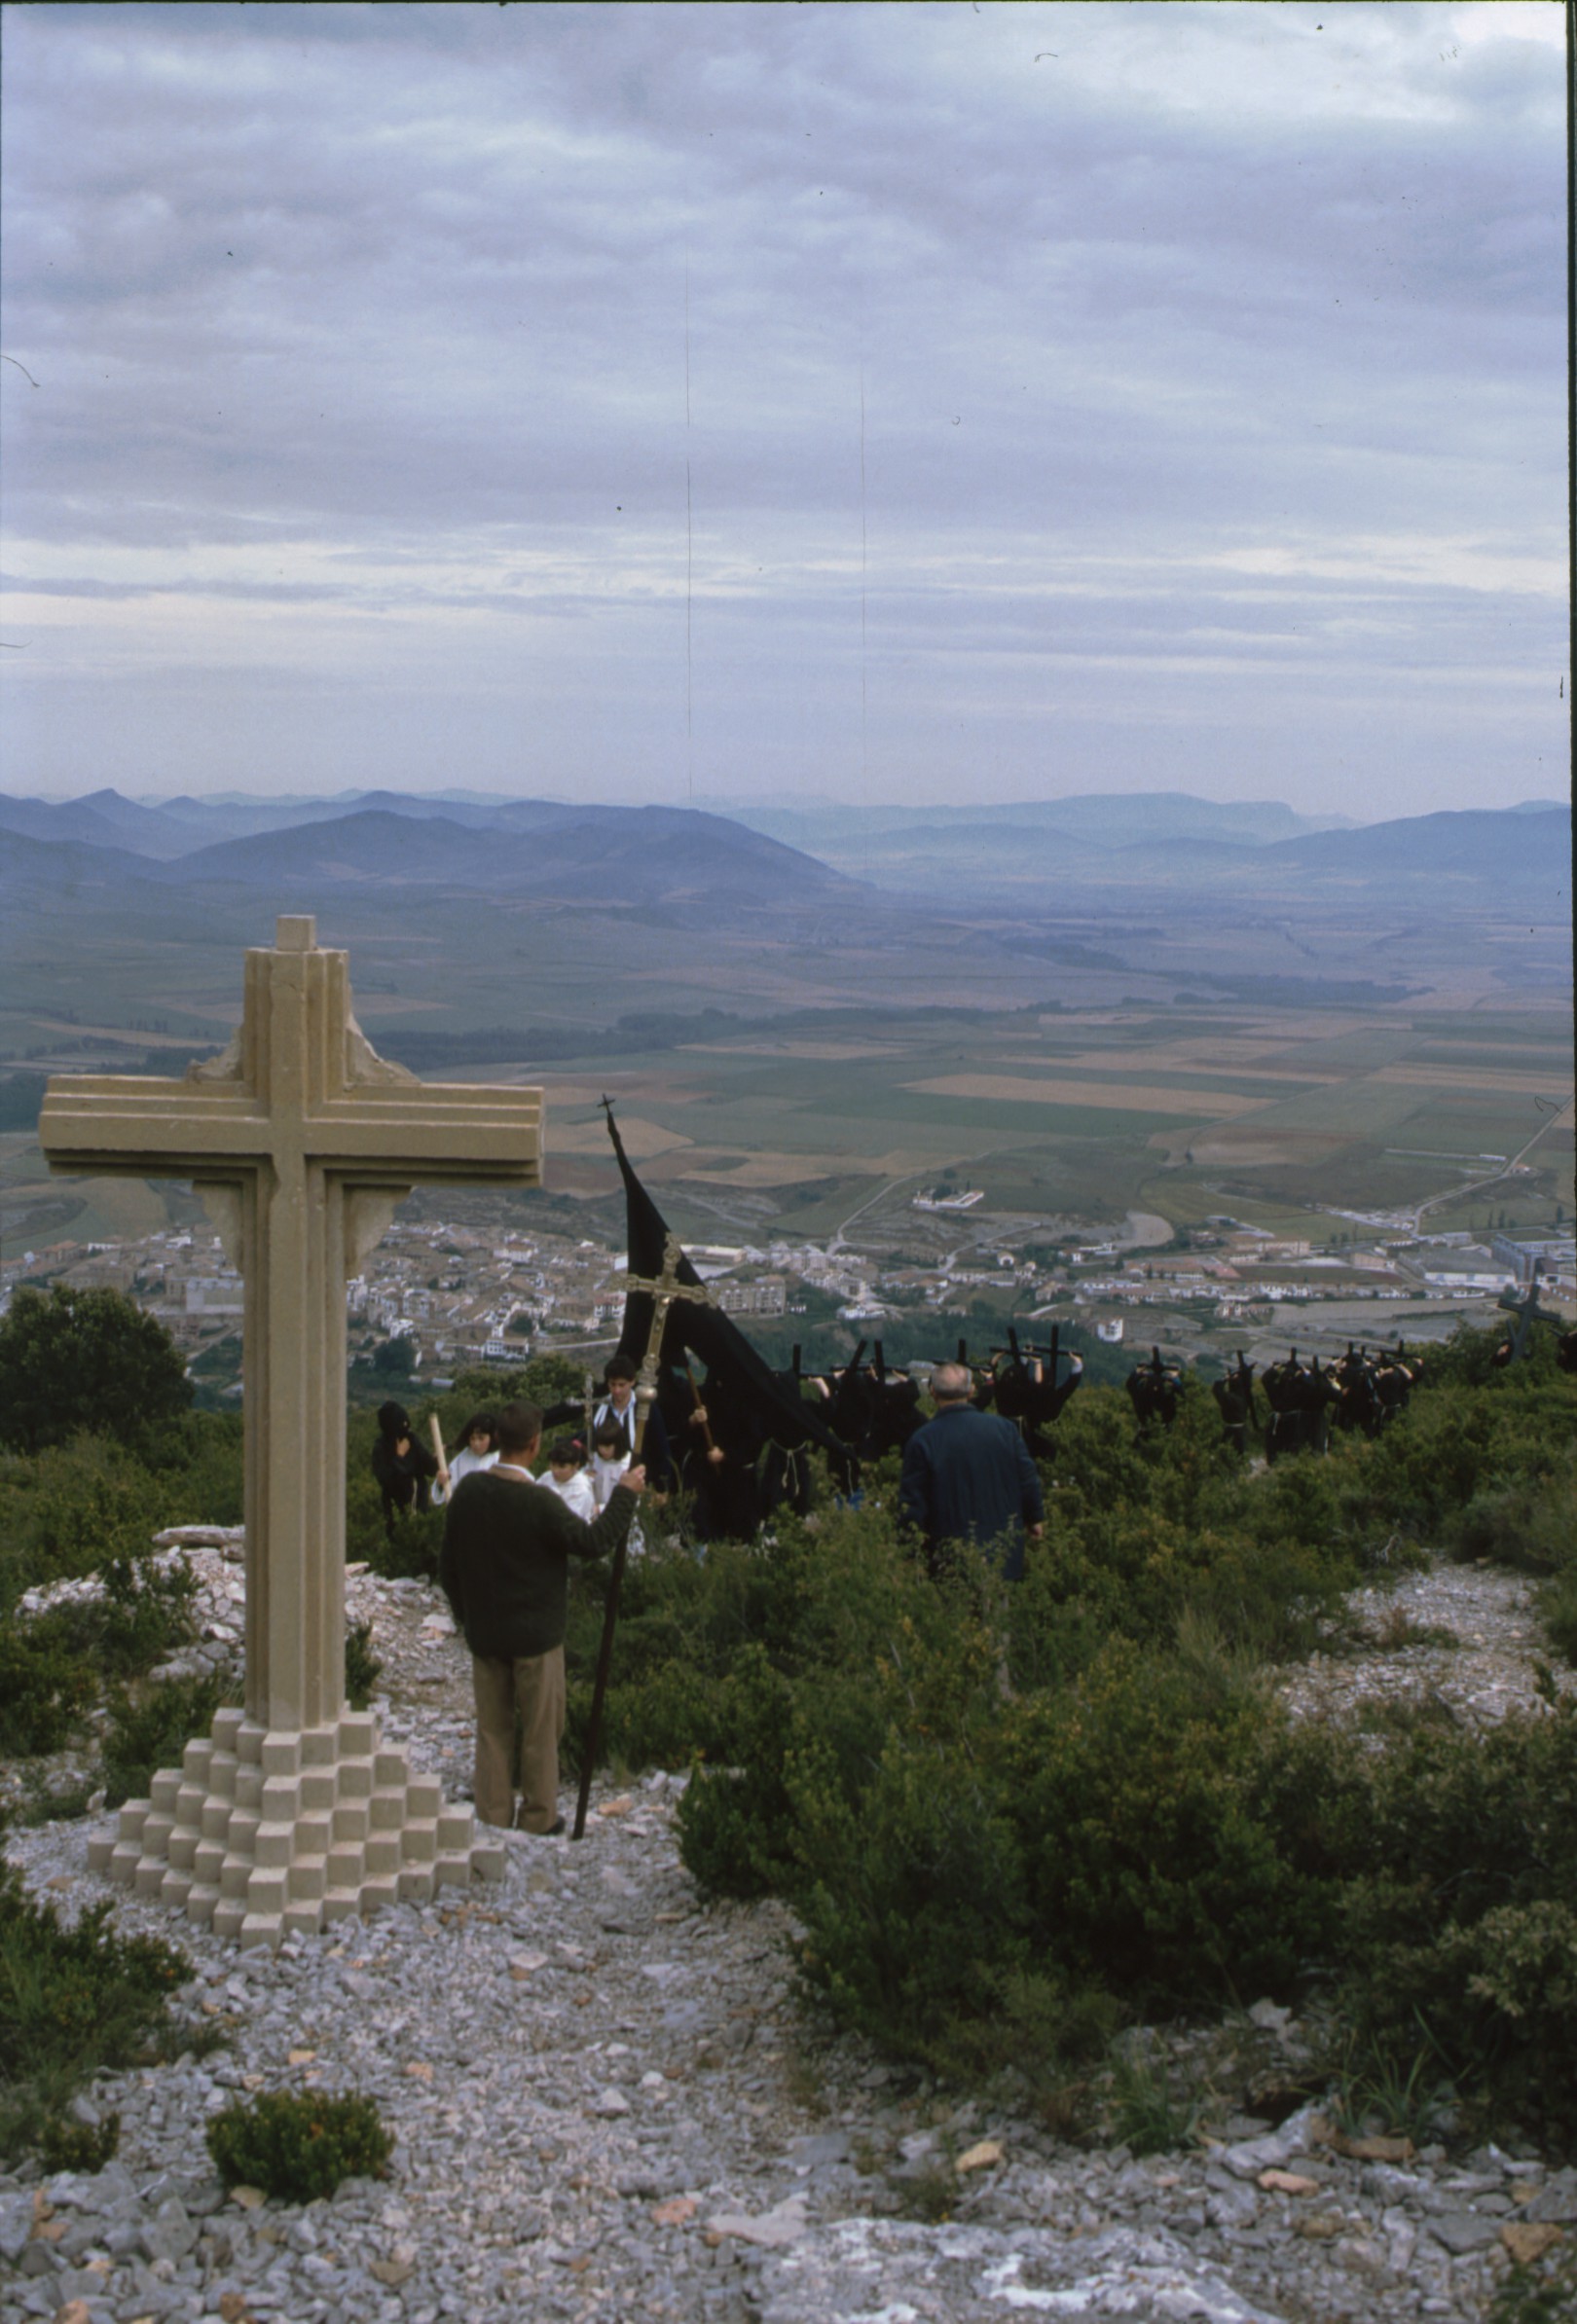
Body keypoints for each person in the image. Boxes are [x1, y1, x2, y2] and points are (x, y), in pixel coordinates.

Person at [439, 1399, 644, 1834]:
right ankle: (538, 1817)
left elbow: (448, 1567)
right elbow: (593, 1542)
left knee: (492, 1731)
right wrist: (625, 1495)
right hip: (537, 1637)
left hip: (487, 1634)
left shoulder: (469, 1494)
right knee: (540, 1730)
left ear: (497, 1439)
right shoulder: (541, 1503)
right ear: (534, 1446)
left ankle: (493, 1817)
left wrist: (466, 1620)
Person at [899, 1361, 1045, 1580]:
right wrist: (1034, 1518)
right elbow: (1027, 1478)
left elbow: (912, 1504)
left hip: (949, 1557)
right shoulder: (1005, 1430)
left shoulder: (923, 1440)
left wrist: (907, 1551)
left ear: (932, 1392)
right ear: (971, 1390)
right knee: (998, 1608)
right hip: (1003, 1553)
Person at [594, 1353, 675, 1494]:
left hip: (641, 1482)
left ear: (632, 1382)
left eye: (621, 1385)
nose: (616, 1390)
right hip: (605, 1481)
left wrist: (663, 1487)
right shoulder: (600, 1409)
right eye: (612, 1385)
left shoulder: (646, 1407)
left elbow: (661, 1448)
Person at [371, 1400, 439, 1540]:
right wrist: (400, 1457)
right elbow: (386, 1479)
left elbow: (430, 1469)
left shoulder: (411, 1439)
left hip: (419, 1504)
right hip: (395, 1507)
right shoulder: (381, 1448)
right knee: (399, 1541)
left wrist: (436, 1459)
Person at [432, 1409, 499, 1505]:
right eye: (472, 1438)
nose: (476, 1443)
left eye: (481, 1438)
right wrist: (441, 1482)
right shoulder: (462, 1459)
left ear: (492, 1437)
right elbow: (444, 1494)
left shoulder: (500, 1458)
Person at [541, 1434, 597, 1523]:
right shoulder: (547, 1476)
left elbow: (569, 1521)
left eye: (562, 1467)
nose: (555, 1471)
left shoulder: (581, 1489)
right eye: (553, 1465)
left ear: (575, 1466)